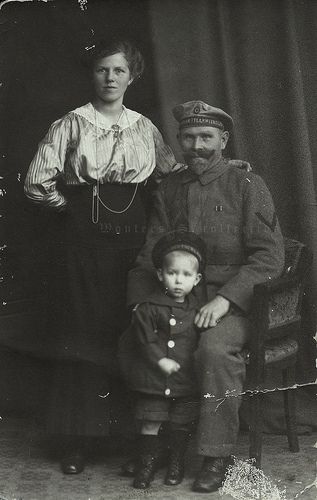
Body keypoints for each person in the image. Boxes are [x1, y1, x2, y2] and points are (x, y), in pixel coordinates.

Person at [23, 39, 182, 475]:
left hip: (135, 241)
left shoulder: (144, 127)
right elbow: (38, 183)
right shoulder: (71, 124)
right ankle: (78, 440)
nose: (110, 78)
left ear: (133, 76)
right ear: (92, 75)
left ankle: (133, 439)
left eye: (118, 71)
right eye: (101, 70)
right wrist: (72, 214)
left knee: (129, 330)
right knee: (83, 334)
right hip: (83, 241)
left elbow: (169, 177)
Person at [127, 100, 285, 492]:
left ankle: (216, 457)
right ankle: (158, 445)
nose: (197, 146)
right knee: (138, 336)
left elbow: (270, 255)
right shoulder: (170, 187)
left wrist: (227, 300)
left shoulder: (247, 185)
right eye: (189, 137)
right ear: (179, 140)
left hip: (231, 302)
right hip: (178, 295)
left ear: (224, 140)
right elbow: (152, 250)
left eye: (206, 137)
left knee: (213, 350)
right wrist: (138, 301)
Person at [119, 230, 206, 489]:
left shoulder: (197, 311)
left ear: (197, 279)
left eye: (186, 275)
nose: (179, 280)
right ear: (160, 274)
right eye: (172, 273)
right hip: (153, 380)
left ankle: (176, 463)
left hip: (184, 380)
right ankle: (146, 465)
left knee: (181, 423)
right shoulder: (147, 307)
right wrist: (160, 360)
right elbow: (143, 339)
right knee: (151, 420)